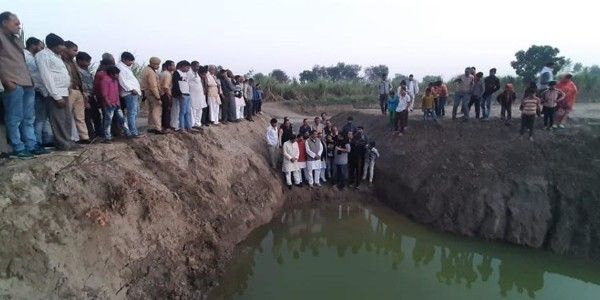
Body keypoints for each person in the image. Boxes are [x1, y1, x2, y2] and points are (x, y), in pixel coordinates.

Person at [1, 12, 47, 157]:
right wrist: (5, 79)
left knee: (29, 117)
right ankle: (18, 147)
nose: (19, 26)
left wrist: (30, 80)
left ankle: (31, 144)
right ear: (4, 23)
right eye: (16, 23)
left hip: (26, 83)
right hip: (12, 82)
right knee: (15, 117)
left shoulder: (15, 40)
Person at [36, 33, 78, 151]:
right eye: (61, 46)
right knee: (58, 119)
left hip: (64, 91)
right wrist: (56, 96)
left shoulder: (57, 56)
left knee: (67, 118)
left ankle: (68, 141)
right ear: (54, 45)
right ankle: (62, 143)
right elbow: (46, 76)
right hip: (55, 93)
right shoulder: (43, 55)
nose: (63, 48)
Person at [24, 37, 54, 148]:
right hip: (33, 90)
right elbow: (34, 77)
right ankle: (37, 142)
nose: (42, 49)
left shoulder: (33, 57)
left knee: (41, 118)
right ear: (33, 45)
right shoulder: (26, 56)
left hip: (39, 91)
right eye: (40, 47)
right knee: (35, 118)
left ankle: (43, 140)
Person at [63, 41, 89, 143]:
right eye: (74, 50)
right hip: (69, 90)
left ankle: (84, 137)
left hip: (78, 90)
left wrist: (83, 92)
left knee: (80, 116)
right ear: (66, 49)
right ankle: (69, 138)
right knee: (67, 116)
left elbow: (79, 78)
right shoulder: (61, 61)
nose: (76, 53)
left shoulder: (73, 63)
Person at [99, 66, 130, 142]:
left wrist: (118, 102)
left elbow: (116, 93)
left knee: (122, 119)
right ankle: (107, 137)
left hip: (116, 104)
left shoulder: (115, 81)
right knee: (108, 121)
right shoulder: (105, 81)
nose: (118, 76)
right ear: (112, 74)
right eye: (117, 74)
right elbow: (104, 94)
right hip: (109, 105)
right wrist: (108, 103)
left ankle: (128, 133)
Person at [76, 51, 102, 140]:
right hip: (84, 96)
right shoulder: (77, 71)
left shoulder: (86, 71)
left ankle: (98, 134)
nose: (88, 64)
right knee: (87, 117)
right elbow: (81, 85)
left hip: (91, 95)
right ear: (80, 61)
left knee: (96, 116)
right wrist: (85, 99)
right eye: (87, 61)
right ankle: (90, 136)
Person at [117, 52, 142, 138]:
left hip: (133, 93)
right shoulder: (120, 67)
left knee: (135, 112)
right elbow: (122, 81)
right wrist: (131, 89)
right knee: (132, 113)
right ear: (124, 59)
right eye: (130, 61)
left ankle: (132, 131)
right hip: (129, 93)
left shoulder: (126, 68)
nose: (131, 62)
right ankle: (132, 132)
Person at [142, 57, 163, 134]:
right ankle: (158, 128)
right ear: (153, 64)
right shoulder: (150, 72)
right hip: (152, 93)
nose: (158, 66)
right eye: (157, 64)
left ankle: (151, 127)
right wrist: (158, 97)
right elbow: (153, 86)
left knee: (151, 110)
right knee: (157, 110)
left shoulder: (146, 70)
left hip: (147, 92)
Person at [172, 60, 193, 132]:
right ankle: (182, 128)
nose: (188, 69)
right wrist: (179, 94)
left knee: (188, 111)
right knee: (182, 112)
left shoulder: (185, 74)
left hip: (187, 94)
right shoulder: (177, 73)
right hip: (182, 94)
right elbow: (176, 84)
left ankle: (189, 127)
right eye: (187, 68)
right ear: (183, 66)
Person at [188, 61, 207, 128]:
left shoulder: (197, 73)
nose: (198, 68)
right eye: (196, 66)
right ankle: (193, 124)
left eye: (198, 66)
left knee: (200, 109)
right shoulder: (189, 73)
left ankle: (198, 123)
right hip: (193, 94)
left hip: (200, 95)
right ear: (192, 66)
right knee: (193, 109)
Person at [159, 60, 175, 131]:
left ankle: (165, 126)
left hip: (163, 94)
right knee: (167, 111)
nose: (174, 67)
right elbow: (166, 86)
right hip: (165, 94)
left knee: (165, 111)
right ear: (168, 66)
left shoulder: (163, 73)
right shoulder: (167, 74)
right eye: (173, 65)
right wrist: (169, 96)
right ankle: (166, 126)